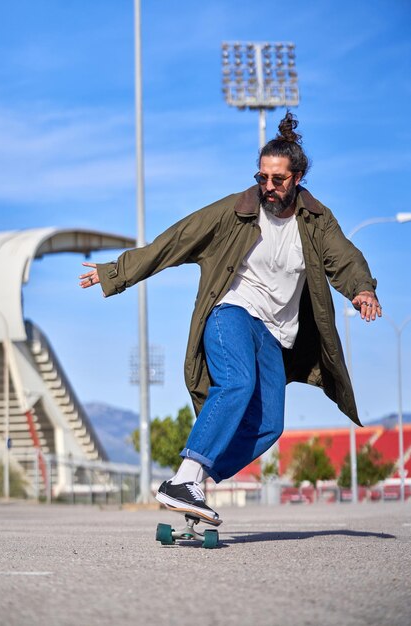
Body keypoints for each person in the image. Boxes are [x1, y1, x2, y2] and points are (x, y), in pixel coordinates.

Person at [79, 112, 381, 522]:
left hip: (275, 334)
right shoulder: (236, 211)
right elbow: (176, 239)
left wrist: (362, 289)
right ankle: (185, 479)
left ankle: (193, 480)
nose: (268, 188)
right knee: (237, 382)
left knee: (269, 425)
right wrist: (116, 272)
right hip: (231, 313)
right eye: (262, 178)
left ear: (298, 178)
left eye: (278, 180)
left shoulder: (316, 220)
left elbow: (343, 258)